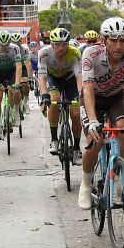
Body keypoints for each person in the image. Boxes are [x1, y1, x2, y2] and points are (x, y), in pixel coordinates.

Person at [77, 17, 124, 210]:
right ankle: (85, 184)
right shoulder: (90, 53)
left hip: (115, 98)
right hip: (92, 98)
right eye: (113, 39)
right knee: (96, 138)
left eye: (123, 39)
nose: (118, 45)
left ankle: (122, 179)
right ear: (104, 39)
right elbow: (87, 88)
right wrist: (93, 120)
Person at [37, 27, 83, 158]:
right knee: (54, 100)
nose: (61, 48)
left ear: (68, 44)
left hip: (70, 80)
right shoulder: (44, 53)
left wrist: (81, 95)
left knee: (75, 113)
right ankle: (54, 140)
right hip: (54, 79)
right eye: (57, 45)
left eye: (64, 45)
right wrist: (44, 94)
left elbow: (79, 76)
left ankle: (76, 148)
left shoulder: (75, 53)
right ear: (51, 44)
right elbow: (42, 77)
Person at [0, 31, 25, 142]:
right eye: (2, 45)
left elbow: (18, 67)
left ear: (10, 42)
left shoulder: (15, 48)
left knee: (16, 91)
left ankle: (16, 111)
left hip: (12, 71)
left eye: (6, 45)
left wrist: (17, 84)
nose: (4, 48)